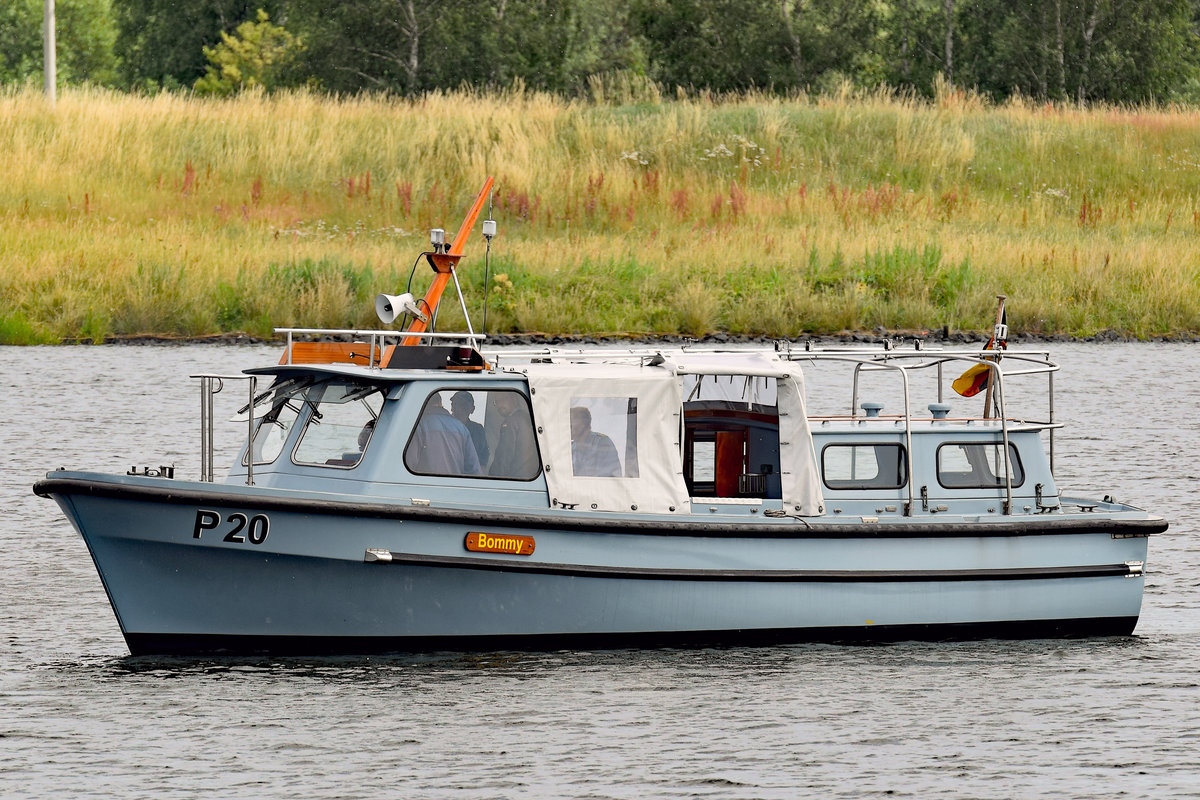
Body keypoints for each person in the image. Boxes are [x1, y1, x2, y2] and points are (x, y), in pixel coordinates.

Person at [407, 394, 481, 475]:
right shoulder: (462, 428)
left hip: (425, 485)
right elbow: (474, 470)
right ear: (440, 403)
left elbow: (409, 464)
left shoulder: (419, 426)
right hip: (454, 486)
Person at [488, 392, 540, 479]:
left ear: (514, 399)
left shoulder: (510, 423)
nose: (499, 405)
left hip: (514, 479)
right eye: (496, 402)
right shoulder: (528, 418)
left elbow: (504, 457)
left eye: (502, 399)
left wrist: (493, 478)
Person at [570, 405, 621, 477]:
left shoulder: (602, 443)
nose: (569, 424)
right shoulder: (571, 448)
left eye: (572, 419)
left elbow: (612, 477)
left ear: (583, 424)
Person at [450, 391, 489, 466]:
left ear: (472, 409)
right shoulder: (444, 427)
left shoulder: (478, 429)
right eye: (456, 404)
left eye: (464, 404)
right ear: (452, 407)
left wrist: (479, 470)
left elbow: (484, 454)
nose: (461, 408)